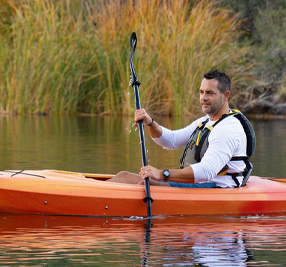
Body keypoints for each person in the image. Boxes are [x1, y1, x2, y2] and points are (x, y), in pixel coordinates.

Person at [108, 69, 255, 188]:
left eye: (210, 93)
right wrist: (150, 123)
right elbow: (171, 140)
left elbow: (207, 171)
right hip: (200, 183)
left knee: (145, 185)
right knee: (123, 176)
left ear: (226, 96)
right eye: (201, 92)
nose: (203, 97)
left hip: (216, 187)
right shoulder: (205, 121)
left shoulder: (227, 129)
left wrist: (163, 174)